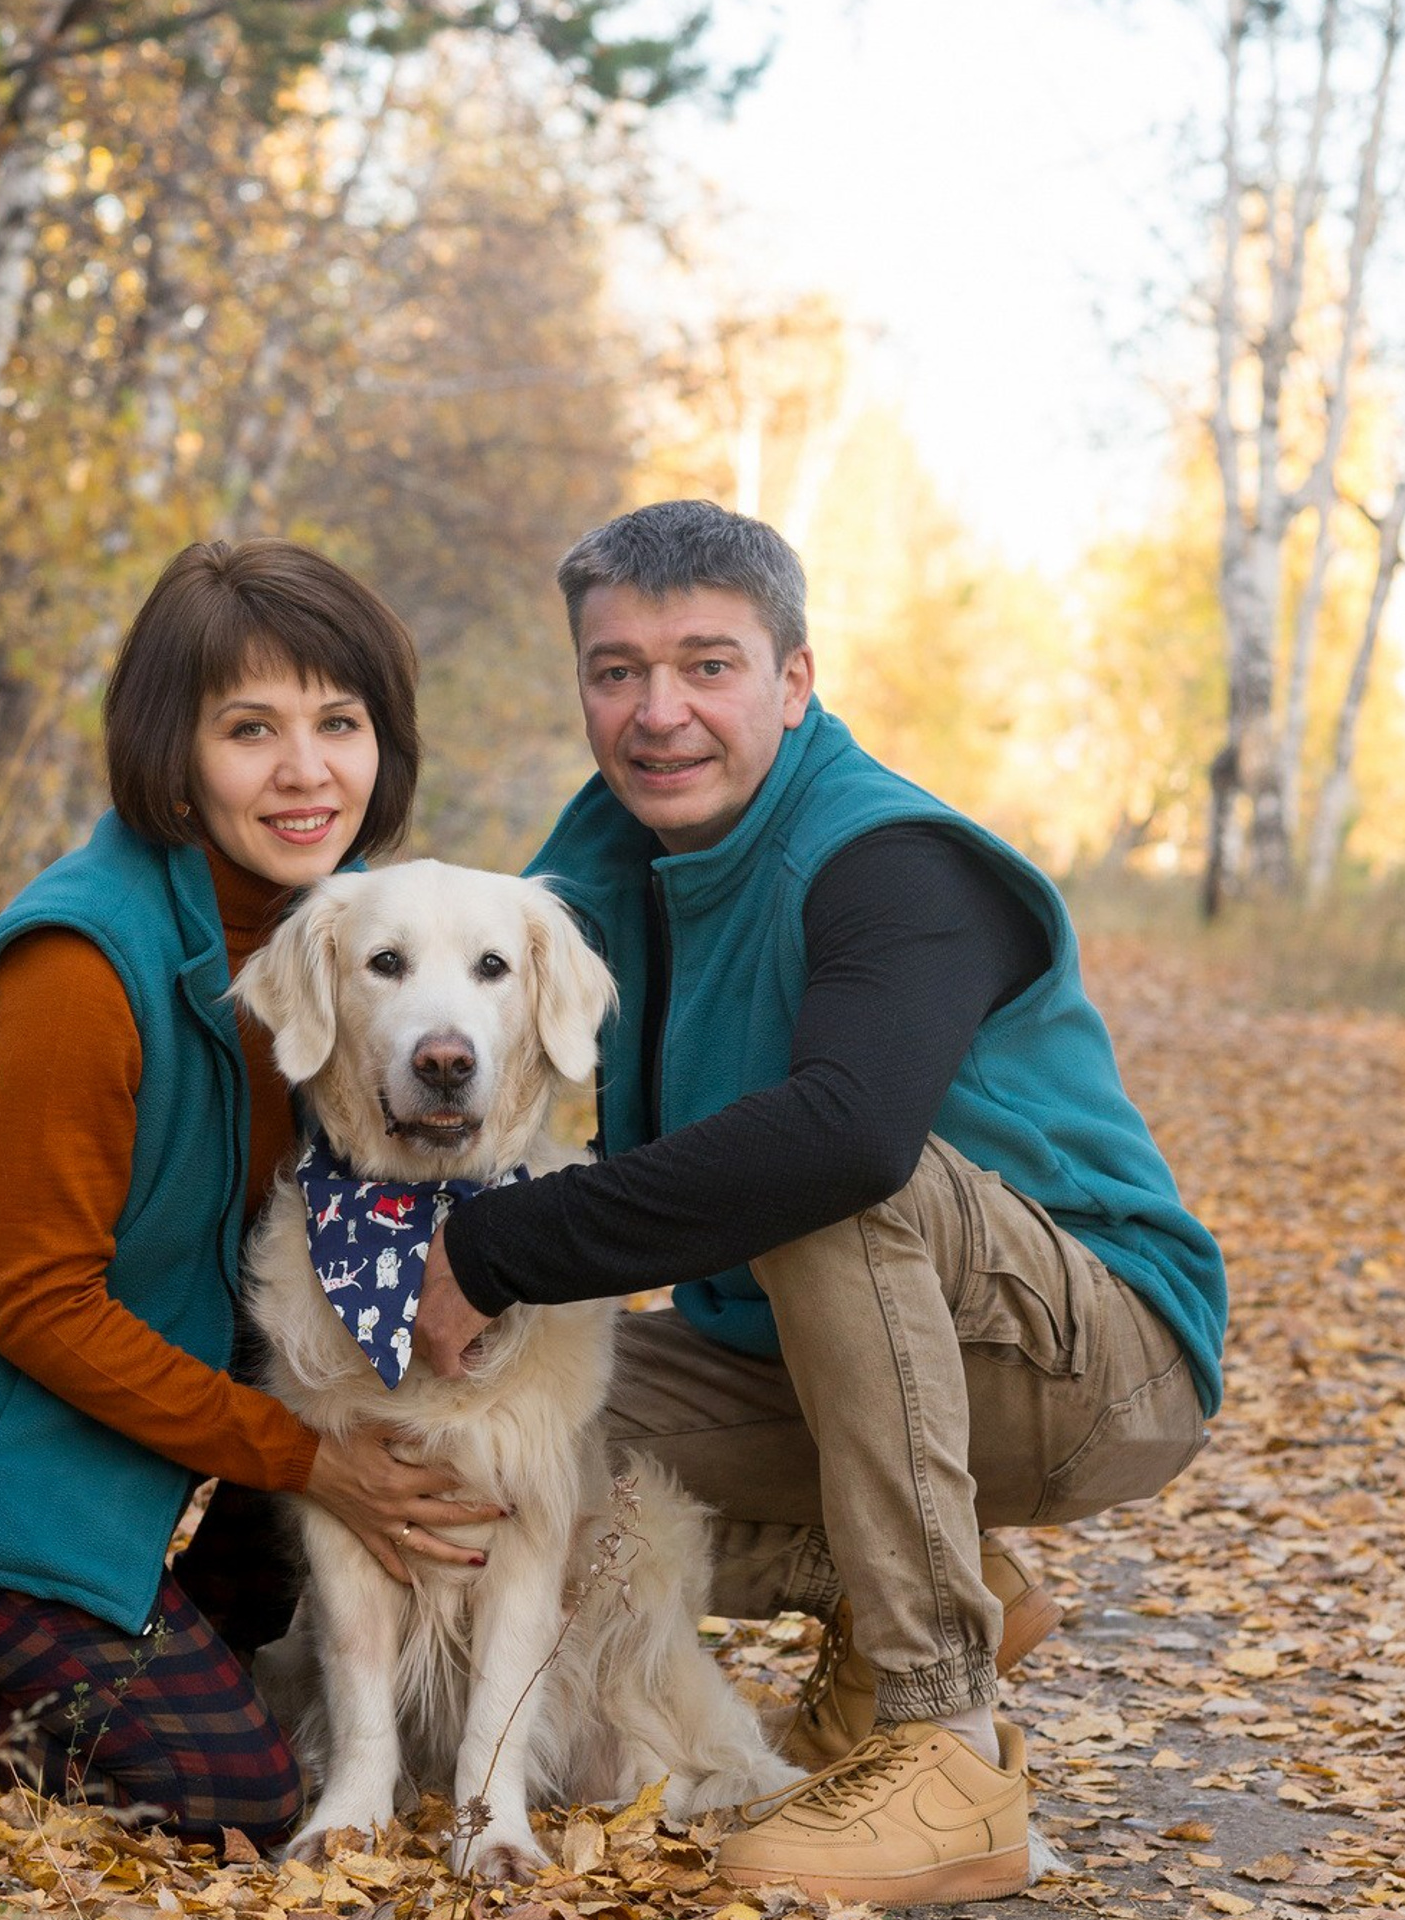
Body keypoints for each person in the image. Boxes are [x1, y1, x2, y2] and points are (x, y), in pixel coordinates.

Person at [412, 501, 1226, 1908]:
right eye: (618, 672)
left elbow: (847, 1141)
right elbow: (463, 1030)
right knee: (509, 1436)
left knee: (836, 1171)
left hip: (1094, 1360)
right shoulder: (605, 856)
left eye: (708, 665)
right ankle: (927, 1575)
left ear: (794, 682)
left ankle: (942, 1743)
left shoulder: (890, 860)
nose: (659, 712)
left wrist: (490, 1250)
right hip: (803, 1364)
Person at [0, 539, 504, 1847]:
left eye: (340, 722)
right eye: (249, 729)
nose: (306, 769)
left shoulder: (332, 945)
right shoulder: (80, 971)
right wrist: (310, 1457)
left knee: (295, 1568)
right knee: (236, 1793)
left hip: (98, 1453)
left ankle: (93, 1629)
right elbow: (39, 1308)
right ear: (173, 750)